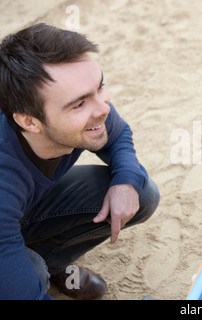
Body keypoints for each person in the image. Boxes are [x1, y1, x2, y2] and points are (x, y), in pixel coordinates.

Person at [0, 23, 160, 300]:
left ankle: (53, 263)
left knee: (142, 191)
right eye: (79, 104)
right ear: (28, 121)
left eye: (99, 88)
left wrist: (126, 182)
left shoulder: (92, 111)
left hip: (20, 209)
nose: (103, 108)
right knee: (31, 274)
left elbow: (118, 135)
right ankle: (33, 268)